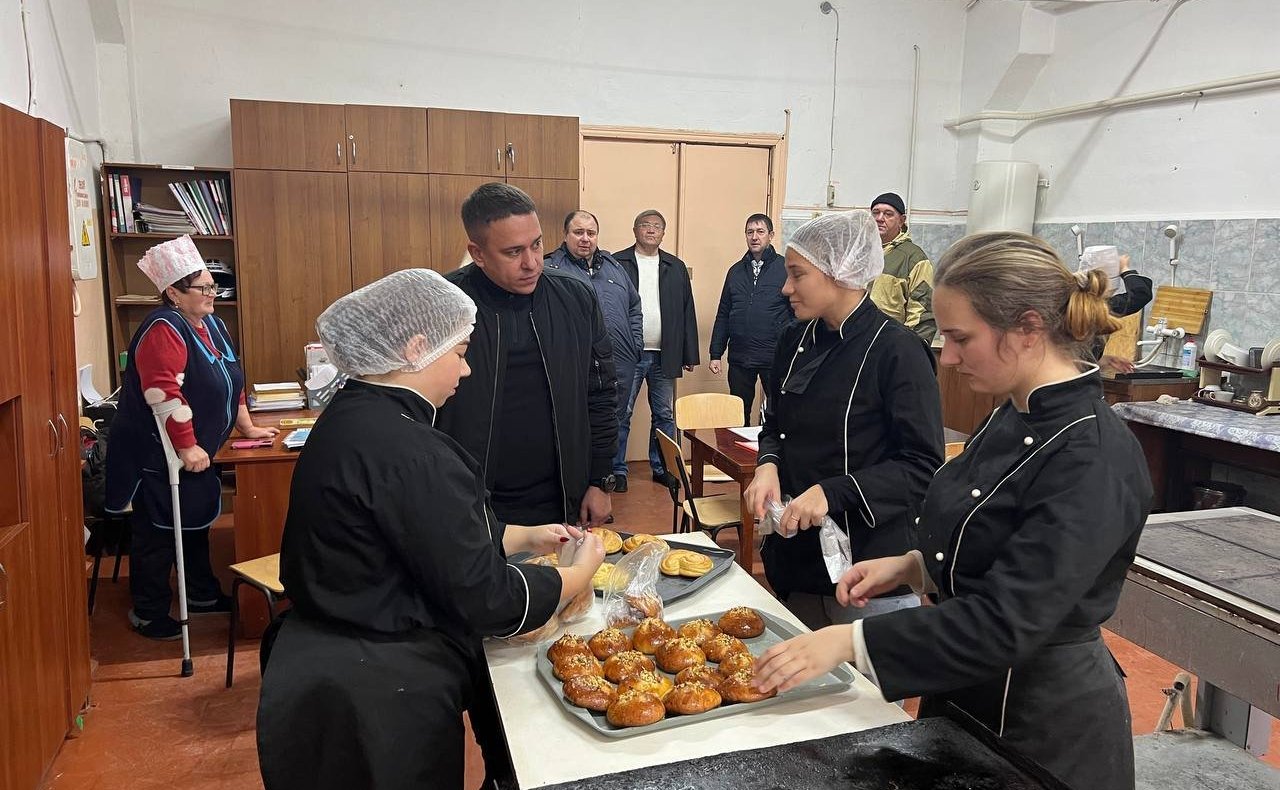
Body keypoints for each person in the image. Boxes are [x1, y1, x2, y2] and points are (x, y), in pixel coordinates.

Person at [752, 232, 1153, 790]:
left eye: (962, 338)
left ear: (1029, 328)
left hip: (1042, 724)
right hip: (963, 693)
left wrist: (850, 642)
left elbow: (1006, 619)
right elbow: (984, 529)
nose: (950, 356)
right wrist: (913, 565)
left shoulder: (1093, 453)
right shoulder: (1011, 412)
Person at [257, 269, 604, 790]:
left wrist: (520, 535)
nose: (466, 370)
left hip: (320, 659)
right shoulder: (412, 452)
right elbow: (489, 599)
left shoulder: (354, 415)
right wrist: (578, 575)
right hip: (377, 687)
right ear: (418, 348)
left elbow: (416, 533)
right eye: (461, 352)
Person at [743, 210, 943, 631]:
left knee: (863, 694)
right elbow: (774, 422)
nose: (785, 288)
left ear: (840, 273)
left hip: (868, 566)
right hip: (796, 556)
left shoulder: (898, 352)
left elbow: (921, 466)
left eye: (797, 275)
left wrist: (833, 493)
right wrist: (768, 464)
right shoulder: (793, 340)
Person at [104, 235, 277, 640]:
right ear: (172, 293)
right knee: (160, 531)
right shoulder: (164, 328)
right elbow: (164, 394)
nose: (212, 294)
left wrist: (246, 427)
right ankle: (147, 611)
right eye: (203, 288)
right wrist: (186, 445)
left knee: (196, 524)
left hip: (198, 451)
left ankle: (199, 594)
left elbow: (232, 377)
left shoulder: (211, 324)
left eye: (213, 286)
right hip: (158, 452)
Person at [437, 182, 619, 527]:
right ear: (477, 253)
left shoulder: (576, 298)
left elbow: (601, 393)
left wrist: (600, 480)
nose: (532, 262)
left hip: (563, 497)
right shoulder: (446, 306)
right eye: (513, 252)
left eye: (536, 244)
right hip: (471, 503)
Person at [544, 210, 643, 484]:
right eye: (578, 232)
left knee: (614, 420)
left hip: (619, 364)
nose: (585, 239)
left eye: (591, 233)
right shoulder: (551, 269)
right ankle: (579, 488)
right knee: (577, 427)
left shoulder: (614, 267)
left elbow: (634, 306)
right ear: (566, 235)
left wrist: (635, 344)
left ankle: (608, 478)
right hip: (573, 367)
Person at [612, 209, 700, 490]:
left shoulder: (675, 267)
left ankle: (662, 468)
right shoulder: (617, 263)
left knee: (664, 414)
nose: (651, 230)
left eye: (657, 226)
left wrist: (689, 354)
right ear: (635, 230)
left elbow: (687, 311)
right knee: (620, 412)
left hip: (666, 353)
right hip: (628, 355)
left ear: (664, 233)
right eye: (645, 225)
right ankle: (616, 470)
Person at [709, 213, 794, 425]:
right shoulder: (736, 271)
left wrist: (792, 350)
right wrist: (715, 353)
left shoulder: (786, 269)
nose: (754, 237)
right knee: (738, 415)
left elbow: (797, 314)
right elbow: (723, 313)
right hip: (740, 358)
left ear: (771, 235)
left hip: (774, 356)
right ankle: (739, 458)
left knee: (780, 413)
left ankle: (775, 457)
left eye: (760, 232)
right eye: (750, 232)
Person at [867, 192, 937, 344]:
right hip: (856, 343)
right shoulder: (859, 252)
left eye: (888, 214)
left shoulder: (914, 258)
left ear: (901, 220)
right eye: (875, 213)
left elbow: (923, 311)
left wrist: (914, 348)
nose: (880, 218)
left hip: (890, 344)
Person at [1081, 250, 1153, 374]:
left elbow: (1077, 361)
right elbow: (1140, 294)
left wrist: (1105, 361)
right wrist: (1125, 269)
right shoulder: (1101, 308)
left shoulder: (1072, 303)